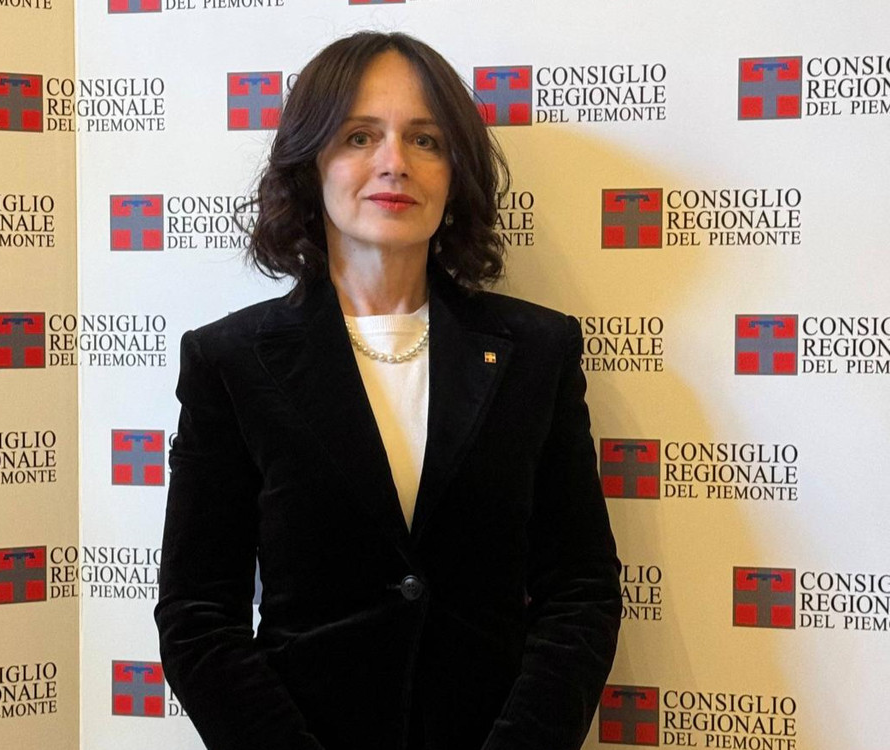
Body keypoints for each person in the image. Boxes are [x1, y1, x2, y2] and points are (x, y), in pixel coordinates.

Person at [155, 31, 621, 750]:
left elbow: (581, 593)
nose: (394, 162)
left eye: (425, 140)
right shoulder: (231, 362)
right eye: (359, 136)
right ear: (311, 164)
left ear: (455, 172)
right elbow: (197, 616)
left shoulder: (538, 352)